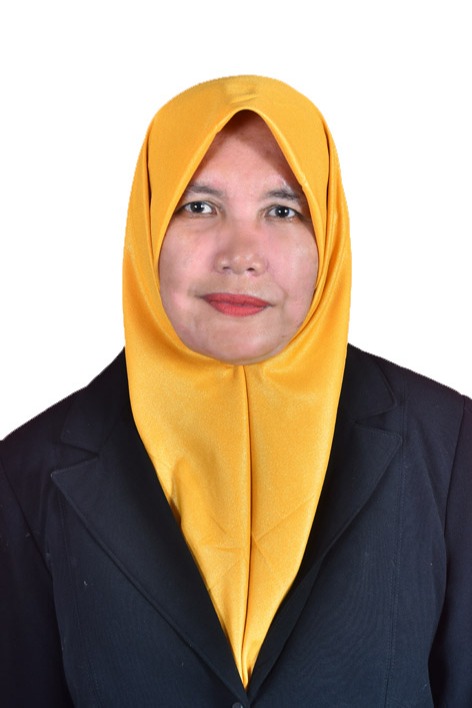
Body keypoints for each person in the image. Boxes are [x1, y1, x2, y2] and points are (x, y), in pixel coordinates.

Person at [1, 75, 471, 707]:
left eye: (283, 211)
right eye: (199, 207)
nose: (241, 254)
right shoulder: (26, 475)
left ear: (328, 236)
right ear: (148, 228)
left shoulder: (450, 446)